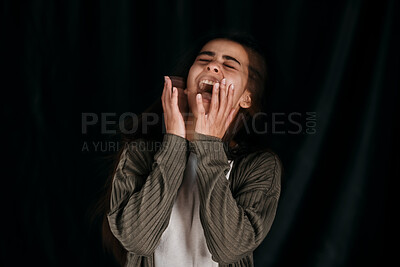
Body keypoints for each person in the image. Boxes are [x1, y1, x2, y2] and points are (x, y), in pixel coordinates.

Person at [98, 31, 282, 267]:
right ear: (186, 85)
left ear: (246, 98)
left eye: (230, 64)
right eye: (205, 60)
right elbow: (137, 241)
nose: (214, 66)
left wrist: (210, 146)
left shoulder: (261, 166)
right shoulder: (139, 152)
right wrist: (174, 139)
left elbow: (229, 249)